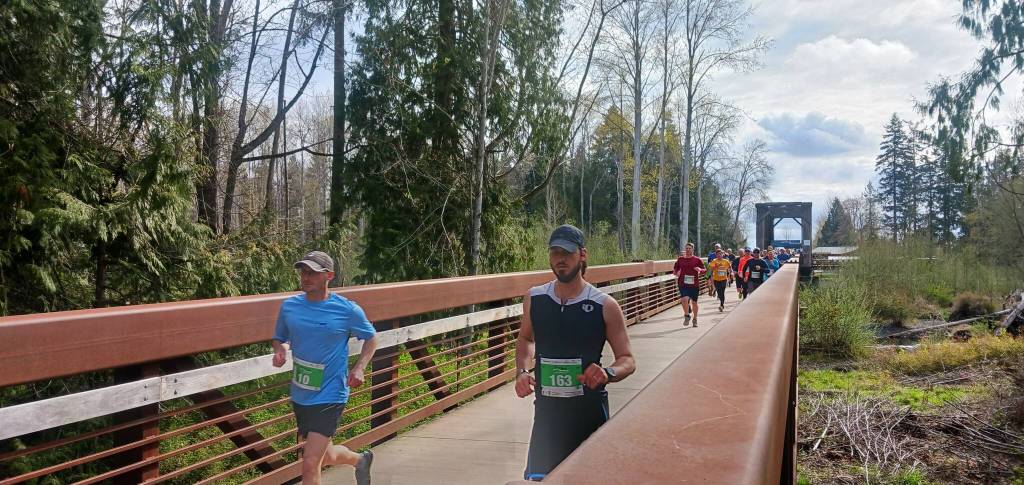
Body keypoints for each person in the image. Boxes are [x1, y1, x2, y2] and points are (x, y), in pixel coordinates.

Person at [514, 224, 636, 481]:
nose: (560, 260)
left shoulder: (604, 305)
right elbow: (525, 338)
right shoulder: (535, 299)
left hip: (588, 416)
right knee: (541, 479)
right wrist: (522, 371)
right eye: (555, 253)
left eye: (567, 253)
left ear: (582, 255)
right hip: (548, 416)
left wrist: (607, 372)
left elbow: (628, 359)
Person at [272, 251, 378, 485]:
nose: (305, 277)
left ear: (329, 275)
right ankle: (360, 460)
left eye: (312, 272)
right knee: (326, 456)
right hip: (301, 392)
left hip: (331, 392)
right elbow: (280, 337)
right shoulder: (290, 306)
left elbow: (371, 338)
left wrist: (359, 367)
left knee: (310, 464)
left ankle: (358, 461)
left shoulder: (347, 310)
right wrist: (280, 349)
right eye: (303, 271)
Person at [673, 242, 706, 327]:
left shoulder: (697, 259)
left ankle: (695, 318)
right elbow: (675, 268)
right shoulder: (680, 259)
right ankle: (687, 315)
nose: (687, 250)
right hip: (683, 283)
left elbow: (704, 270)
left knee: (694, 302)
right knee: (684, 299)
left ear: (692, 249)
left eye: (689, 248)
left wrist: (700, 270)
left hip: (694, 284)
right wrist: (676, 272)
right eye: (686, 248)